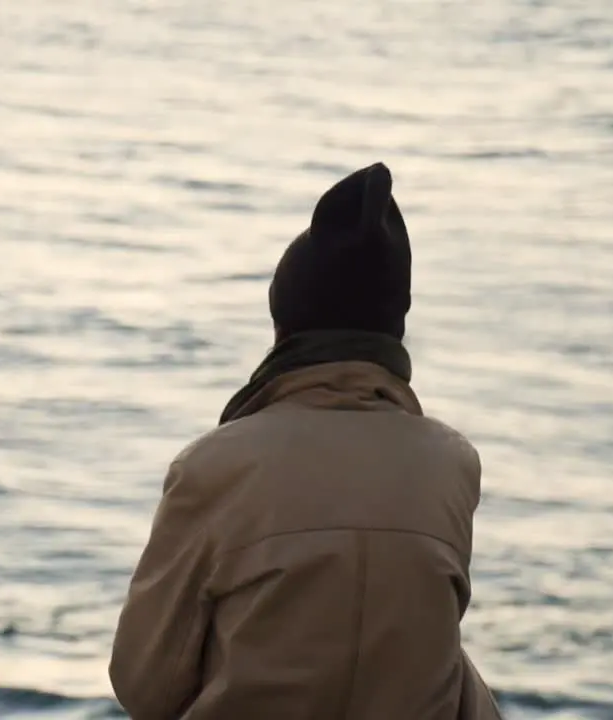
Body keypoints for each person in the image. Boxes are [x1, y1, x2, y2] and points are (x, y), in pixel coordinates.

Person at [108, 163, 503, 719]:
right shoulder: (452, 465)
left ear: (284, 323)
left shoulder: (214, 468)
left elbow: (145, 685)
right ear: (394, 328)